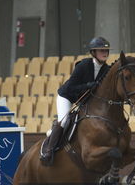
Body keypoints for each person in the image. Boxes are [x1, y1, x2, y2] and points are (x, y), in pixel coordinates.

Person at [40, 37, 111, 165]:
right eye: (101, 50)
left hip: (83, 101)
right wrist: (88, 85)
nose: (104, 53)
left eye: (106, 50)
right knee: (65, 120)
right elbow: (71, 86)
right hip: (67, 96)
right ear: (93, 52)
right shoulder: (84, 65)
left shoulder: (106, 69)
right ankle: (48, 150)